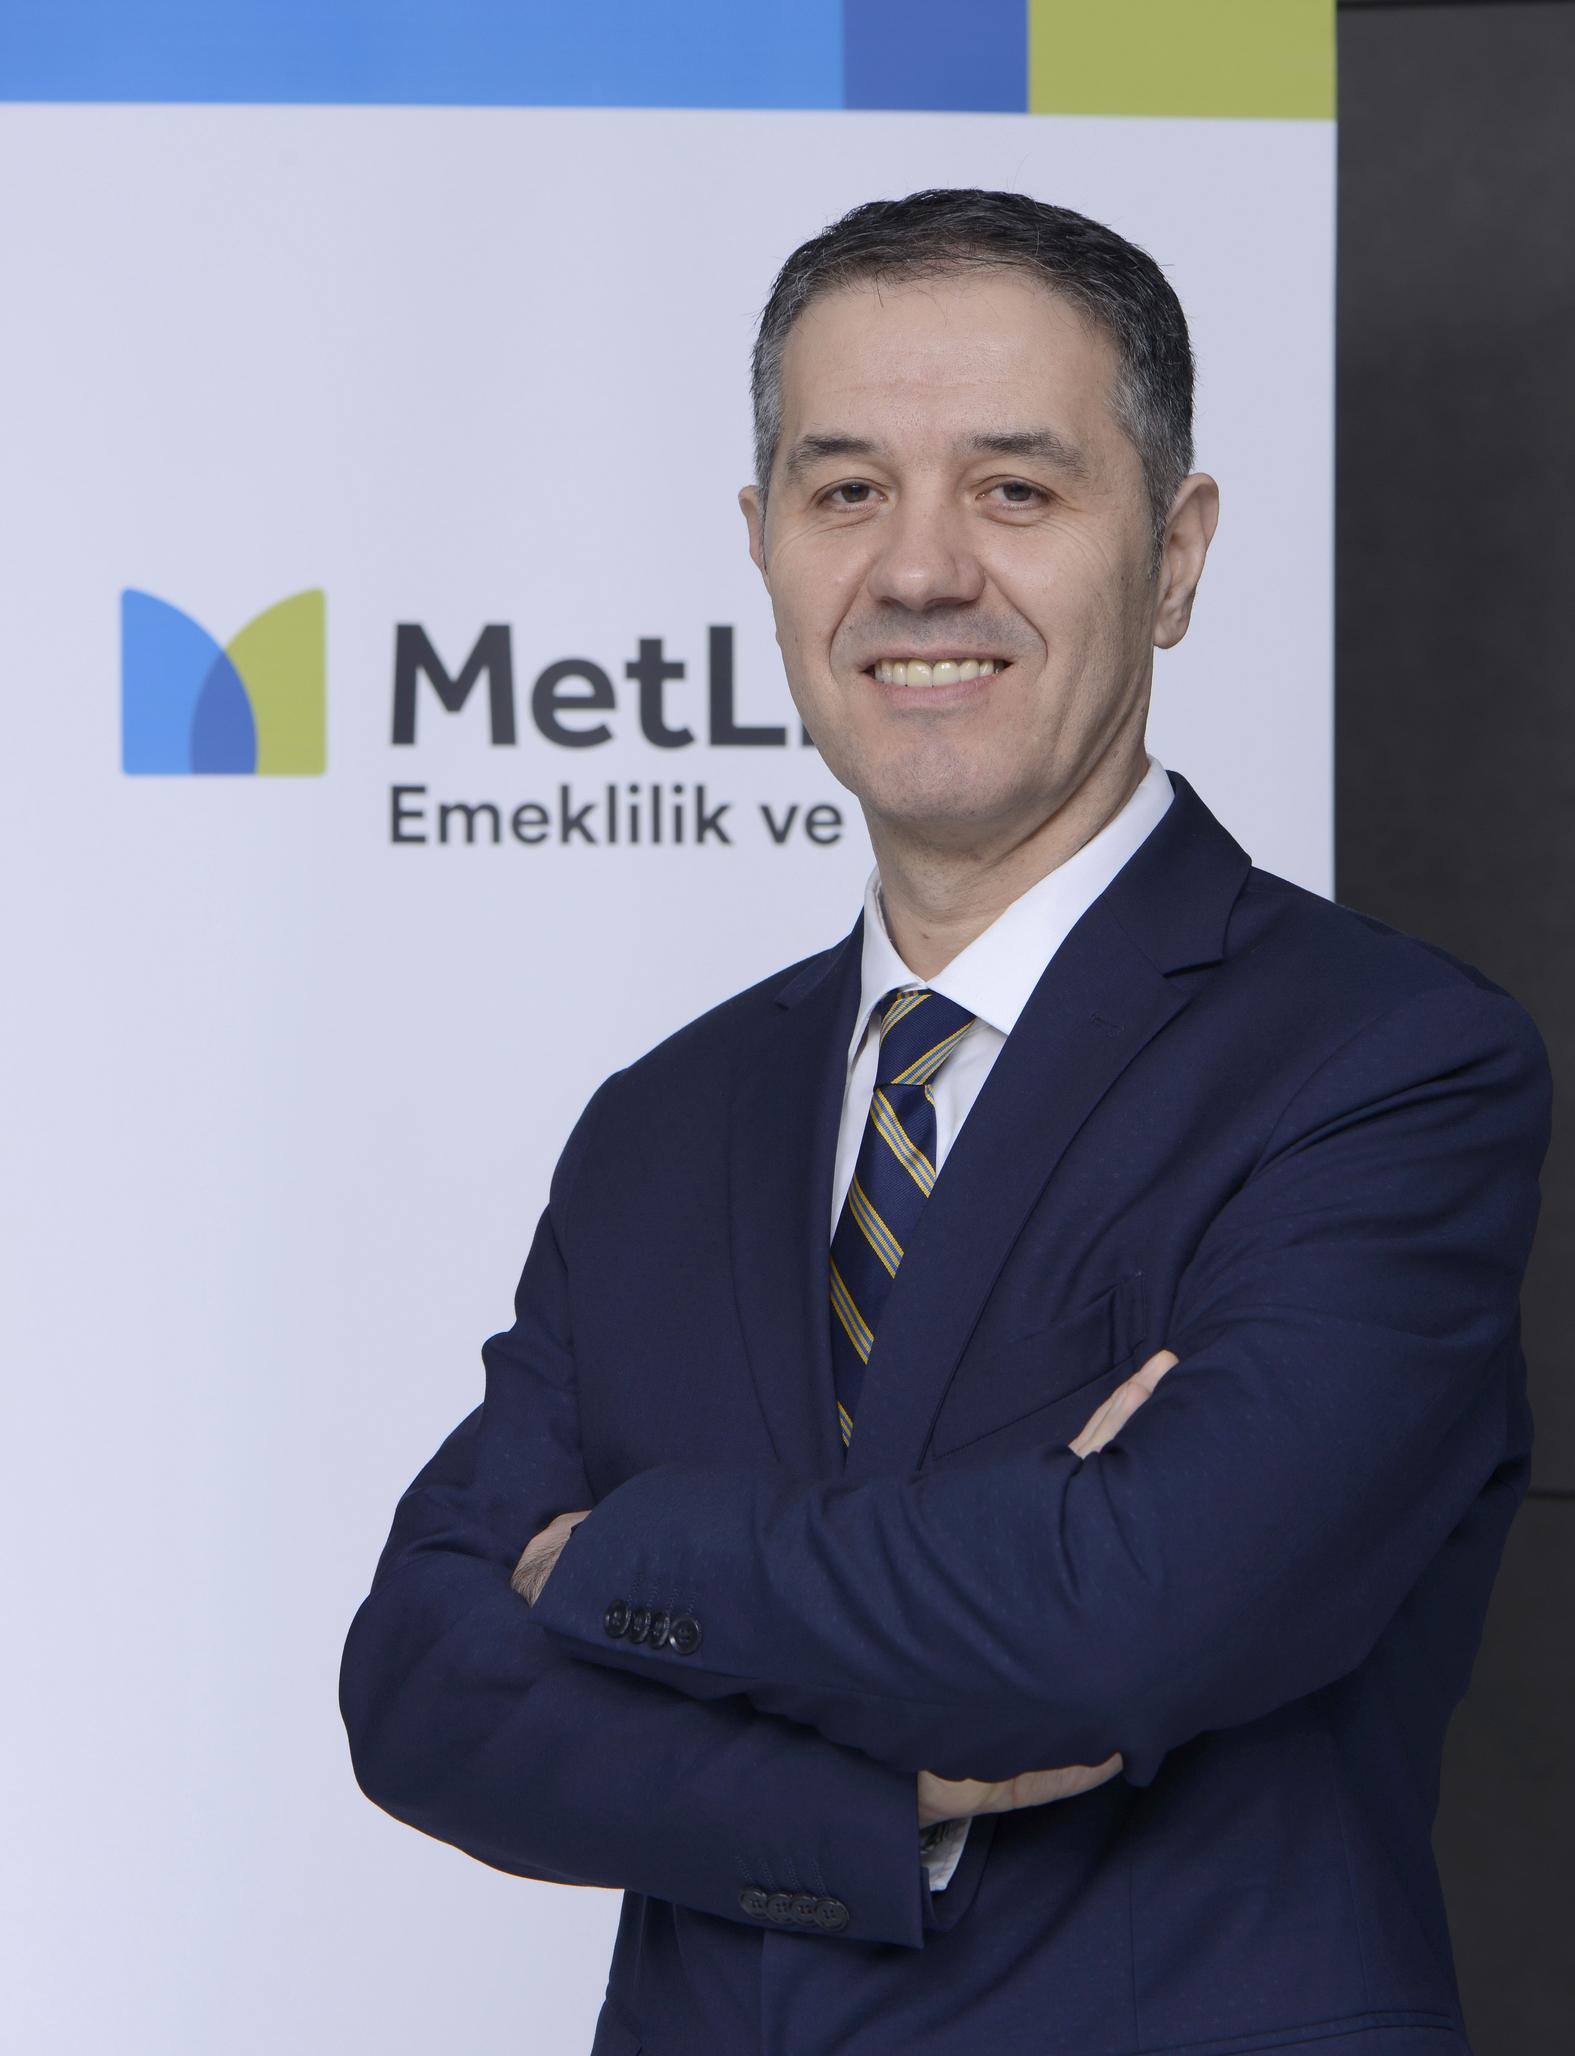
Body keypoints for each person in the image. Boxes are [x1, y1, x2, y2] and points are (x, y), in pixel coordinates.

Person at [338, 189, 1551, 2056]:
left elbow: (1123, 1621)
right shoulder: (663, 1120)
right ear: (761, 546)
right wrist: (877, 1785)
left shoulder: (1385, 1066)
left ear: (1174, 555)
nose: (918, 571)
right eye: (846, 491)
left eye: (1015, 489)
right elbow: (423, 1687)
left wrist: (613, 1559)